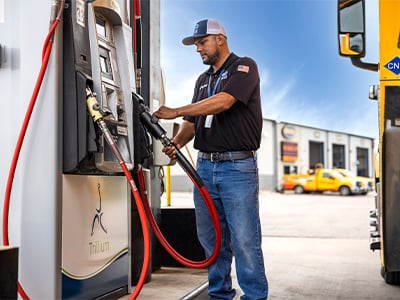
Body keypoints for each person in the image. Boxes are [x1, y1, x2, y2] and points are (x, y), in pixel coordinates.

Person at [153, 19, 268, 300]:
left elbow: (224, 102)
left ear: (220, 38)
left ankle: (254, 296)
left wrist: (175, 110)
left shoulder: (244, 67)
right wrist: (177, 142)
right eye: (195, 44)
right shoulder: (203, 80)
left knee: (244, 239)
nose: (198, 49)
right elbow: (192, 122)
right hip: (204, 168)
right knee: (211, 238)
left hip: (236, 168)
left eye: (202, 42)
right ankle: (219, 294)